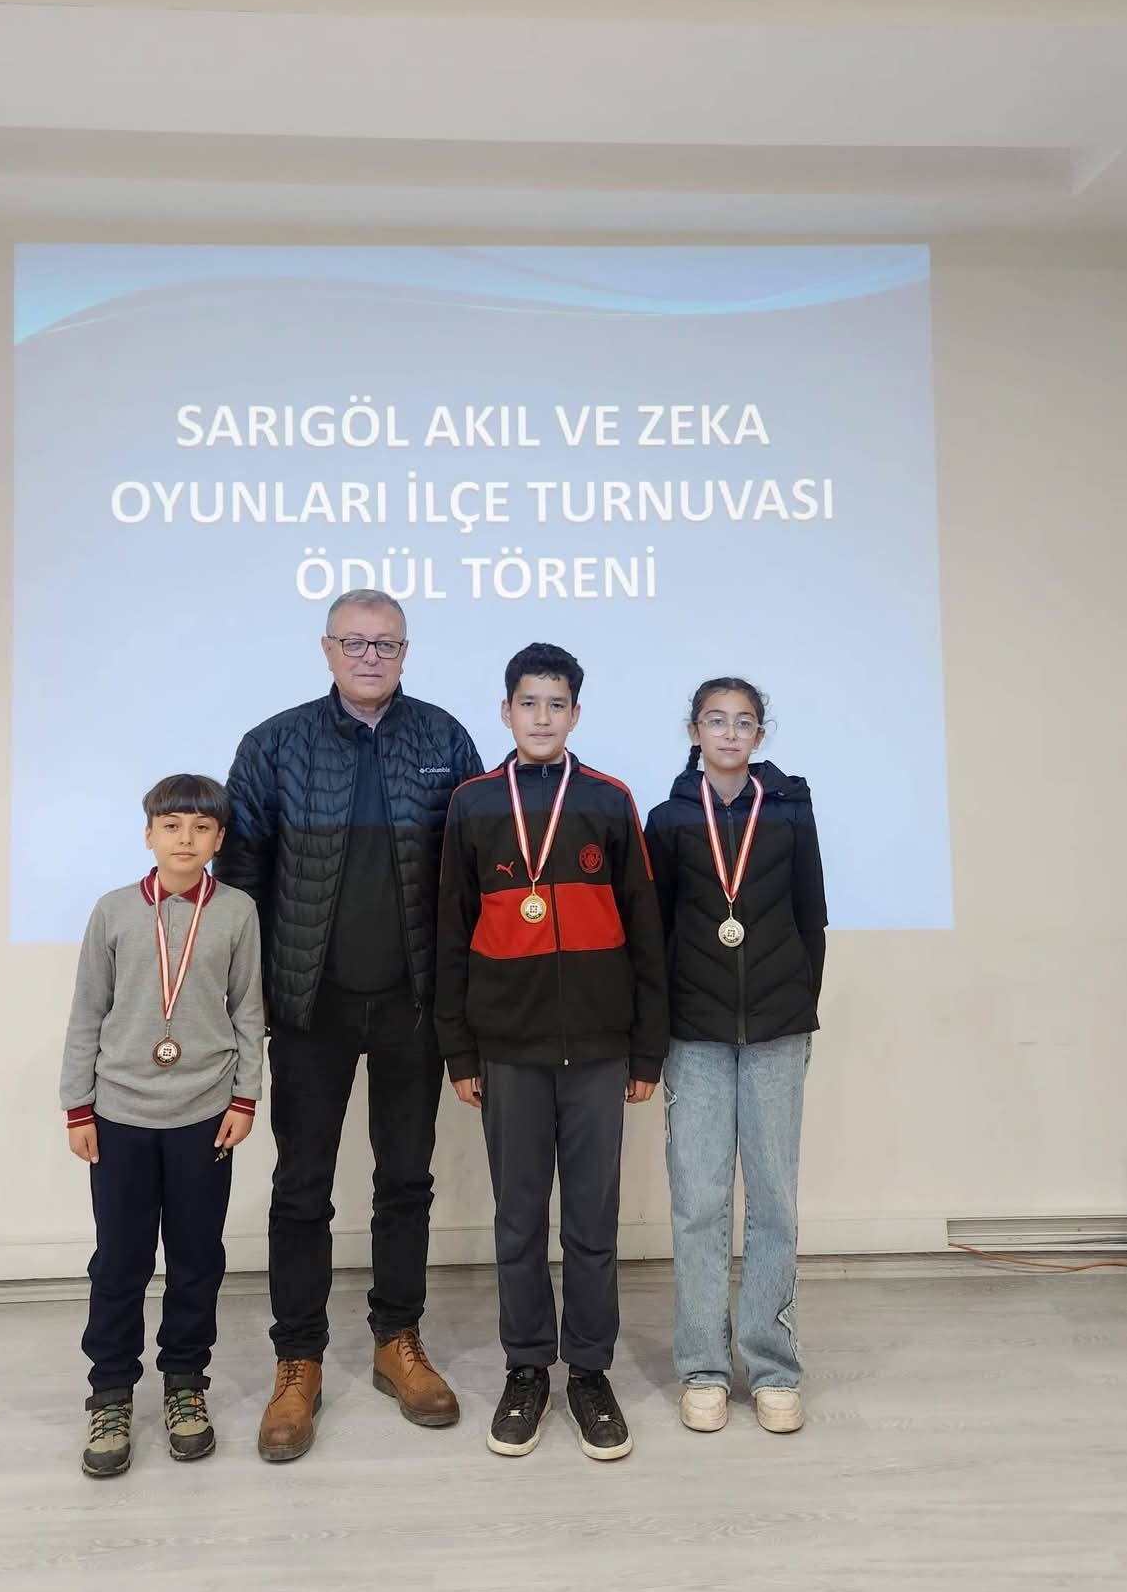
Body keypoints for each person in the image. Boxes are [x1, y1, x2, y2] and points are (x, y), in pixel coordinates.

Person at [215, 589, 482, 1461]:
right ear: (326, 649)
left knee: (405, 1180)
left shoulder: (444, 739)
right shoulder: (273, 744)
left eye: (387, 644)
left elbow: (472, 876)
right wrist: (251, 998)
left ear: (406, 651)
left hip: (412, 1003)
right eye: (355, 643)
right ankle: (298, 1361)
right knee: (301, 1187)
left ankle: (397, 1340)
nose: (371, 657)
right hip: (309, 1006)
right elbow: (242, 880)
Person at [435, 641, 668, 1463]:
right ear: (505, 712)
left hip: (600, 1049)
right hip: (507, 1048)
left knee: (593, 1223)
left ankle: (590, 1372)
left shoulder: (608, 799)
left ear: (575, 714)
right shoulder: (471, 803)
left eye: (556, 704)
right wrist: (460, 1051)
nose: (541, 717)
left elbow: (645, 929)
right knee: (518, 1220)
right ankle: (527, 1368)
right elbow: (450, 933)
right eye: (527, 703)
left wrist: (645, 1051)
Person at [59, 774, 264, 1479]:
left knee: (197, 1256)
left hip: (204, 1114)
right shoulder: (114, 911)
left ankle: (184, 1384)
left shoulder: (236, 911)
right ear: (148, 834)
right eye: (172, 825)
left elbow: (248, 1011)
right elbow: (87, 1011)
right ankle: (111, 1392)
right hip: (119, 1114)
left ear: (219, 839)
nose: (186, 838)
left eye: (201, 828)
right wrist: (77, 1106)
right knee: (119, 1259)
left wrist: (244, 1098)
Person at [645, 678, 827, 1436]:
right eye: (715, 721)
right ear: (694, 730)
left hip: (778, 1031)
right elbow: (654, 932)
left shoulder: (787, 812)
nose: (728, 732)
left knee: (774, 1201)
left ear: (759, 733)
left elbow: (810, 916)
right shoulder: (667, 819)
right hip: (693, 1034)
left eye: (743, 721)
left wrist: (796, 1002)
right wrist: (659, 1027)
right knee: (699, 1202)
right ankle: (703, 1368)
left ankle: (774, 1366)